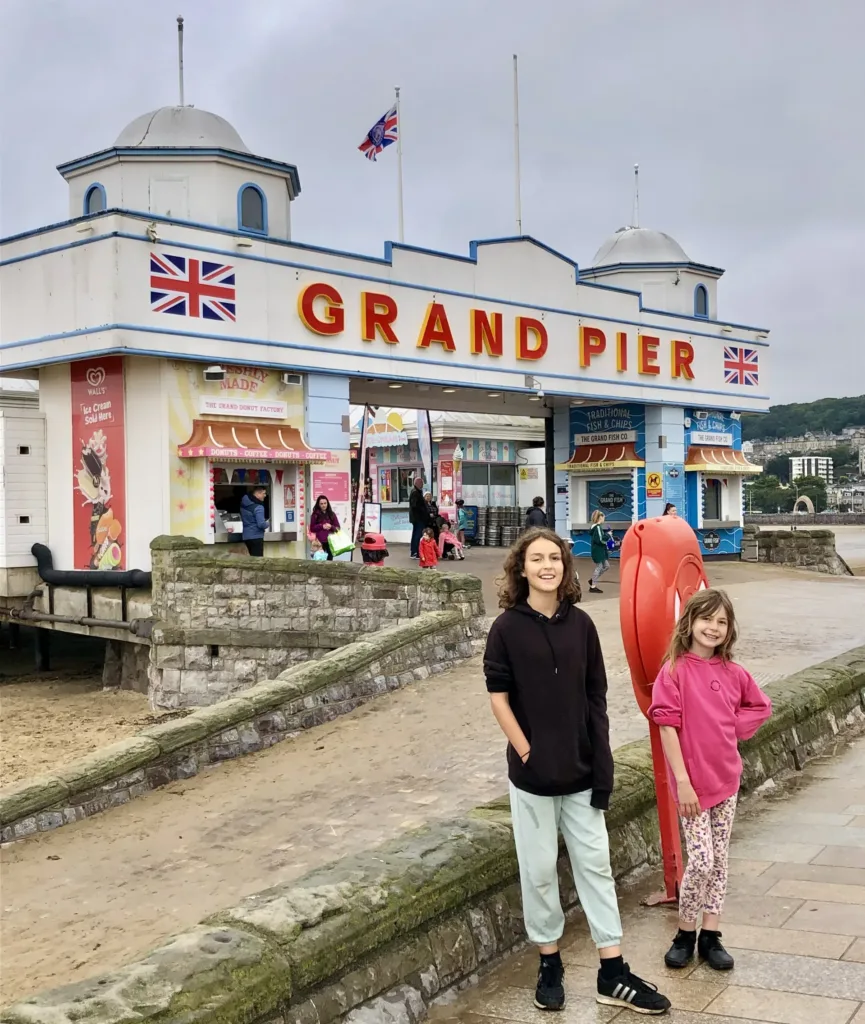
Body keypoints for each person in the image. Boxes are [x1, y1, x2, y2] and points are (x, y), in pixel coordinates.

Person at [484, 527, 671, 1016]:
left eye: (556, 559)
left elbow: (596, 698)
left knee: (595, 867)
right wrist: (526, 752)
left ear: (567, 568)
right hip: (531, 777)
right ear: (520, 568)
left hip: (583, 771)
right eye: (537, 559)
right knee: (540, 870)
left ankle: (613, 970)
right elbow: (498, 698)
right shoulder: (505, 629)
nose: (548, 566)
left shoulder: (582, 626)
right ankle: (549, 961)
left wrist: (601, 759)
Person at [649, 588, 772, 973]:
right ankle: (685, 932)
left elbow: (760, 706)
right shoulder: (673, 671)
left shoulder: (735, 674)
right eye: (707, 619)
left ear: (729, 630)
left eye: (722, 622)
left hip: (726, 780)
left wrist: (731, 726)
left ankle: (711, 934)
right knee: (700, 860)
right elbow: (666, 726)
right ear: (689, 622)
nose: (713, 627)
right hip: (691, 786)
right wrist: (682, 782)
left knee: (719, 860)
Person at [240, 485, 269, 557]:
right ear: (258, 494)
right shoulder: (259, 507)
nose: (265, 495)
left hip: (246, 536)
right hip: (256, 536)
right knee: (258, 560)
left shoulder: (244, 505)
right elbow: (261, 524)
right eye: (263, 493)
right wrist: (267, 523)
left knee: (252, 559)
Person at [309, 494, 340, 561]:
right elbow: (312, 528)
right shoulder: (315, 515)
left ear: (327, 503)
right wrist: (321, 526)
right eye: (321, 503)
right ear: (318, 504)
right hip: (319, 543)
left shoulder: (332, 514)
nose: (323, 505)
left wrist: (331, 526)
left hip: (330, 542)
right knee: (319, 560)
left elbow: (338, 528)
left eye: (325, 503)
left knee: (330, 560)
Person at [589, 510, 612, 594]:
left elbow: (599, 538)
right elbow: (600, 540)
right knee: (599, 567)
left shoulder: (595, 527)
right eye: (603, 517)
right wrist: (608, 535)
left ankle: (593, 580)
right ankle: (593, 586)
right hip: (598, 551)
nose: (604, 519)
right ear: (600, 517)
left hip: (599, 551)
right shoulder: (598, 527)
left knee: (606, 566)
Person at [409, 477, 427, 559]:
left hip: (417, 517)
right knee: (418, 534)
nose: (422, 485)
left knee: (416, 534)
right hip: (418, 518)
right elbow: (415, 506)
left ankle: (414, 551)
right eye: (421, 483)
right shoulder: (415, 493)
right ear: (417, 483)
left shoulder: (417, 492)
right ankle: (416, 552)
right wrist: (423, 510)